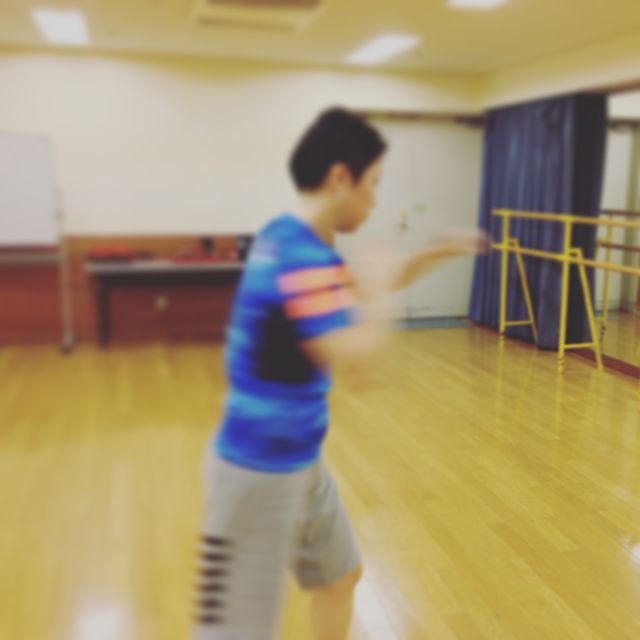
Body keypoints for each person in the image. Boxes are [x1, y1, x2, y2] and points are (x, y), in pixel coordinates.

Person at [193, 107, 486, 640]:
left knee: (340, 577)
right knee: (232, 630)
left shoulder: (293, 239)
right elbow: (360, 366)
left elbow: (376, 280)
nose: (374, 200)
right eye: (372, 184)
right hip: (256, 469)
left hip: (298, 457)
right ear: (339, 177)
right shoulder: (299, 256)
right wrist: (380, 300)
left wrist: (441, 251)